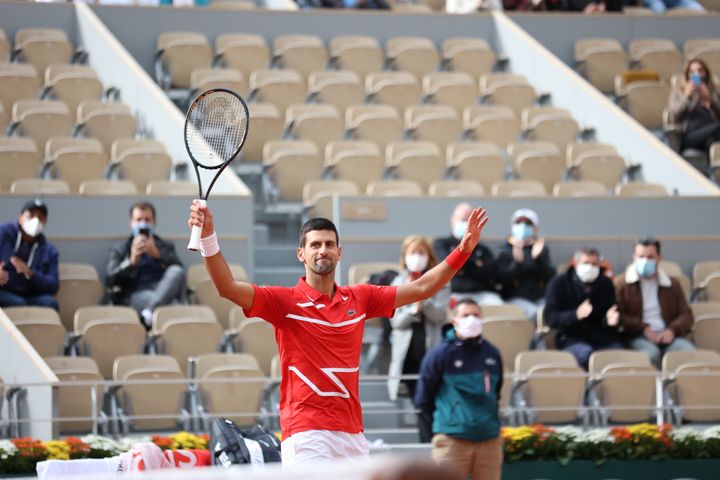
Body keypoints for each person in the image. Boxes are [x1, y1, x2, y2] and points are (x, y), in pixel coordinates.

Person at [188, 201, 489, 467]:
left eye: (329, 244)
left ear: (339, 252)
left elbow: (422, 288)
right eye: (315, 244)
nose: (323, 250)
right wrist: (208, 238)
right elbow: (227, 287)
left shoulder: (360, 298)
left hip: (352, 435)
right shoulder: (283, 302)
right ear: (301, 254)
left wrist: (463, 250)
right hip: (306, 433)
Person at [414, 298, 503, 480]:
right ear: (454, 320)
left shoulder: (492, 354)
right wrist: (443, 429)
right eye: (466, 315)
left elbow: (496, 392)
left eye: (476, 315)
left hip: (489, 441)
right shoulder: (439, 355)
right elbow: (423, 400)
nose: (471, 319)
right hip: (451, 440)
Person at [614, 238, 695, 368]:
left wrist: (671, 331)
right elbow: (619, 316)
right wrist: (644, 328)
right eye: (641, 256)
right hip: (639, 336)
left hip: (669, 335)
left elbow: (685, 314)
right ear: (634, 258)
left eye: (650, 257)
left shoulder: (672, 284)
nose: (645, 261)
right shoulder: (621, 284)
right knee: (650, 355)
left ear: (659, 258)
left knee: (688, 353)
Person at [387, 236, 449, 403]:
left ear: (429, 256)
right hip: (407, 354)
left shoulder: (440, 281)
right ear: (405, 256)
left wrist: (424, 300)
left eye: (421, 252)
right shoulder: (397, 283)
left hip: (431, 350)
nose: (417, 257)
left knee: (431, 400)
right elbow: (396, 322)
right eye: (413, 252)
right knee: (417, 402)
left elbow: (440, 316)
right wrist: (413, 311)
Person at [107, 202, 185, 327]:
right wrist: (131, 262)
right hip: (136, 292)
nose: (143, 224)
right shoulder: (119, 248)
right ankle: (151, 314)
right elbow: (111, 279)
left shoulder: (165, 246)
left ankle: (148, 313)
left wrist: (158, 255)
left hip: (162, 288)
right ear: (131, 222)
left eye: (147, 219)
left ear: (154, 222)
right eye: (138, 220)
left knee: (176, 271)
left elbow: (179, 271)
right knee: (173, 307)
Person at [544, 248, 623, 369]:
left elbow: (610, 311)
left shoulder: (605, 283)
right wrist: (575, 314)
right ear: (575, 264)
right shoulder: (559, 283)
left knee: (618, 355)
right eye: (586, 263)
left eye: (594, 264)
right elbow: (550, 317)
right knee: (587, 355)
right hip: (571, 337)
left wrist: (610, 319)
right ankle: (587, 387)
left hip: (601, 337)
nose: (590, 267)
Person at [433, 202, 502, 306]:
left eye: (469, 220)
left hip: (481, 294)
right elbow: (448, 266)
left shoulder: (483, 249)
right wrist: (475, 263)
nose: (466, 223)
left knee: (499, 305)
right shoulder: (441, 243)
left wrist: (461, 266)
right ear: (452, 220)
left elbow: (490, 272)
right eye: (462, 220)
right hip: (453, 293)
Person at [496, 208, 554, 322]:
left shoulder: (541, 249)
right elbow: (502, 280)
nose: (523, 226)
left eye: (528, 223)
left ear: (535, 228)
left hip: (539, 299)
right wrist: (517, 263)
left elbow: (550, 276)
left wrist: (538, 259)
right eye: (519, 222)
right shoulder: (504, 250)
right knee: (532, 314)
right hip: (514, 299)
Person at [0, 199, 59, 309]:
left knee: (50, 303)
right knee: (18, 303)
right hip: (4, 290)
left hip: (30, 295)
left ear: (45, 222)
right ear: (20, 217)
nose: (36, 220)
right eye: (31, 215)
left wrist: (31, 274)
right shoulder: (3, 233)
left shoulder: (50, 250)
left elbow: (53, 285)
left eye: (41, 217)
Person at [667, 58, 720, 159]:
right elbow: (674, 116)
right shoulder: (678, 92)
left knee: (711, 143)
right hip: (688, 135)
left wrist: (710, 99)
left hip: (710, 132)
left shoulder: (714, 92)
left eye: (700, 71)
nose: (697, 75)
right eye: (692, 72)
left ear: (706, 73)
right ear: (687, 75)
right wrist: (686, 97)